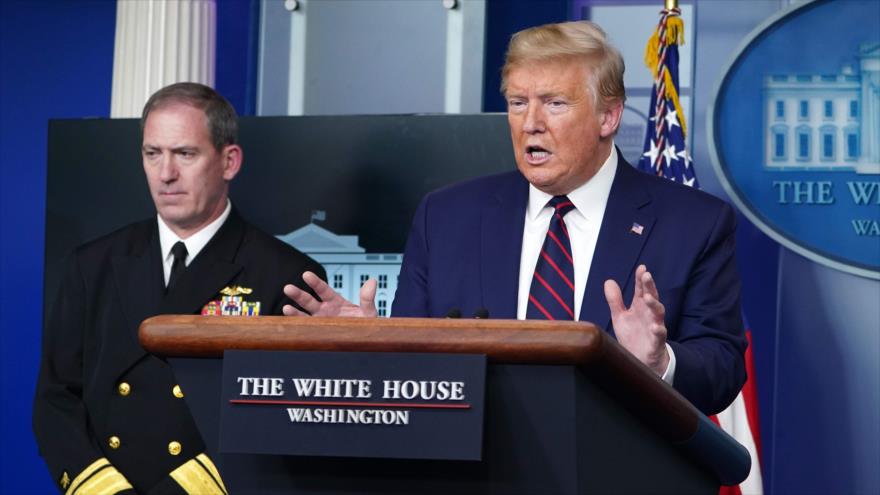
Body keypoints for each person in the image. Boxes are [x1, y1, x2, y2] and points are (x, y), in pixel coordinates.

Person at [283, 21, 746, 416]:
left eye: (555, 103)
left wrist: (658, 361)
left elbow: (723, 370)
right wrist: (377, 347)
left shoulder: (692, 223)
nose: (530, 123)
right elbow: (417, 366)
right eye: (518, 102)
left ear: (609, 116)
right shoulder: (446, 217)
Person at [33, 82, 325, 494]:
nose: (166, 173)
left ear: (229, 161)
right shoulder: (90, 265)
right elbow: (55, 400)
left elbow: (280, 419)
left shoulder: (288, 276)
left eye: (185, 154)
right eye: (153, 154)